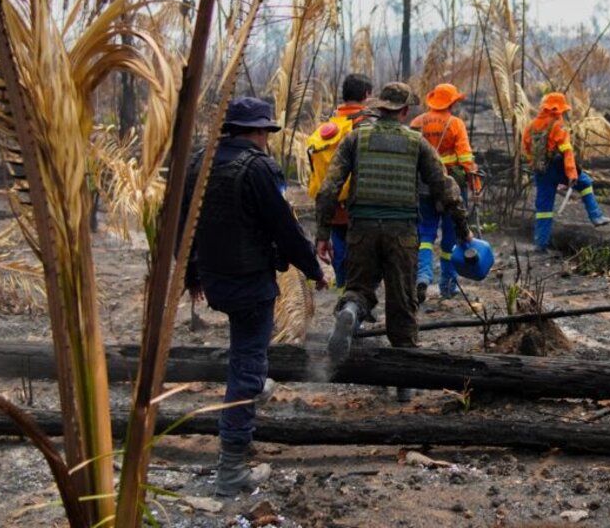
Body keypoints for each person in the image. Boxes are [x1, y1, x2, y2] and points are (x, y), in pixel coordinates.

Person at [180, 97, 328, 497]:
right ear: (260, 132)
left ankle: (254, 382)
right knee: (246, 364)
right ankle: (231, 472)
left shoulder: (200, 163)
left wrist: (191, 274)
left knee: (248, 353)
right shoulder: (259, 167)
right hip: (249, 282)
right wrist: (314, 270)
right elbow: (284, 228)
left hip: (215, 278)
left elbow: (183, 223)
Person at [315, 82, 471, 401]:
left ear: (380, 107)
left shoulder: (356, 138)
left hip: (362, 229)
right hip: (401, 231)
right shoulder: (416, 143)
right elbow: (445, 188)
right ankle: (404, 381)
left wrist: (322, 233)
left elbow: (329, 189)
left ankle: (351, 312)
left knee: (358, 288)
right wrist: (464, 231)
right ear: (403, 111)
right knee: (402, 303)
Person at [410, 83, 481, 301]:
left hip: (423, 187)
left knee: (425, 234)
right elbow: (466, 159)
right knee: (450, 238)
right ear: (451, 102)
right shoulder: (455, 124)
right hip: (451, 186)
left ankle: (423, 274)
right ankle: (448, 285)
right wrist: (475, 185)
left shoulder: (417, 122)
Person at [305, 73, 374, 291]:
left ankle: (343, 291)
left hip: (332, 204)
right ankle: (356, 300)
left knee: (340, 249)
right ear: (366, 95)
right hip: (360, 203)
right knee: (362, 254)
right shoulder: (366, 126)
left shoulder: (327, 128)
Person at [522, 92, 610, 251]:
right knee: (585, 183)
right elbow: (567, 152)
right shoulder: (558, 125)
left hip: (541, 171)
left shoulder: (531, 125)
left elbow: (527, 149)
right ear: (558, 109)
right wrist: (571, 174)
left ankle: (541, 245)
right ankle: (596, 216)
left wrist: (536, 164)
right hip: (558, 167)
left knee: (544, 209)